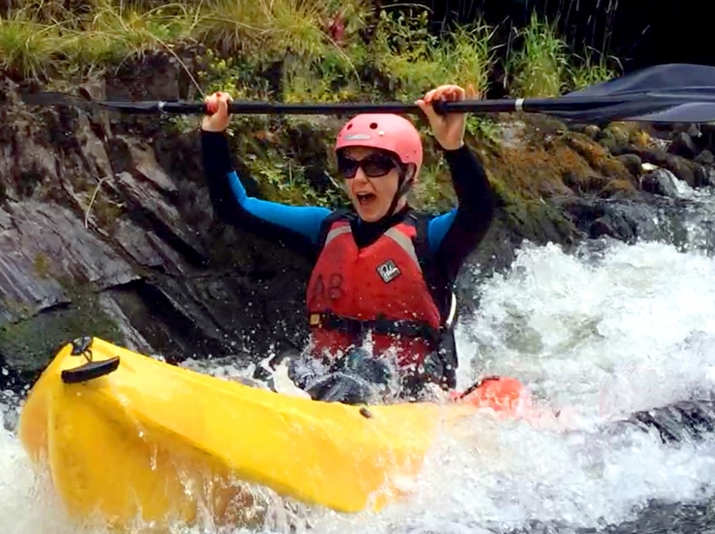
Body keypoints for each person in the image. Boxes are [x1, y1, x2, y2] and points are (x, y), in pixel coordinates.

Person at [200, 86, 496, 404]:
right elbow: (235, 207)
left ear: (408, 174)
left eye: (377, 165)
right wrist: (213, 134)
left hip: (406, 397)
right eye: (348, 165)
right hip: (325, 382)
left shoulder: (431, 239)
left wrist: (454, 147)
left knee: (361, 369)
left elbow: (478, 210)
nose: (359, 179)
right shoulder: (325, 230)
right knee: (279, 367)